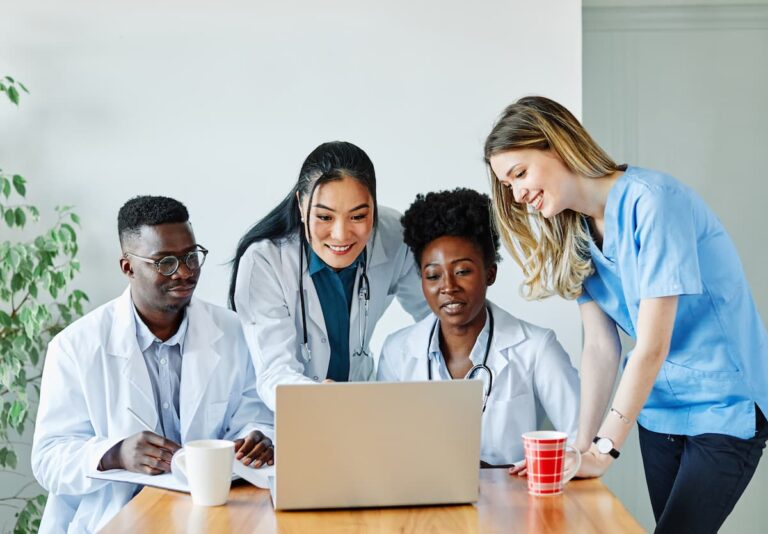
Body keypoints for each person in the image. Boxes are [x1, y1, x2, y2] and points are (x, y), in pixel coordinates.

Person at [484, 95, 768, 532]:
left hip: (724, 405)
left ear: (557, 144)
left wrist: (605, 450)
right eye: (507, 185)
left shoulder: (654, 203)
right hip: (660, 412)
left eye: (520, 173)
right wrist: (580, 446)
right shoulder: (572, 233)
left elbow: (653, 345)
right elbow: (601, 347)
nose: (518, 194)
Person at [32, 196, 275, 533]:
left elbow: (254, 413)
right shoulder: (76, 347)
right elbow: (48, 459)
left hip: (213, 515)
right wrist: (115, 453)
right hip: (118, 517)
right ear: (128, 267)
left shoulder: (232, 331)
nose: (186, 272)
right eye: (165, 263)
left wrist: (256, 437)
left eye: (191, 256)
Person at [377, 188, 579, 466]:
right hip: (426, 503)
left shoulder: (536, 348)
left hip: (513, 503)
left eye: (462, 271)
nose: (448, 287)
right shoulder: (397, 352)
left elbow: (580, 443)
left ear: (490, 273)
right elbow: (385, 449)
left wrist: (535, 467)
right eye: (433, 275)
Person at [230, 141, 429, 410]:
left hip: (360, 403)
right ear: (301, 206)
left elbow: (436, 318)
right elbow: (274, 372)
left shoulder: (394, 236)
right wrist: (324, 399)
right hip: (286, 413)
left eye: (358, 216)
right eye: (325, 217)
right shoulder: (265, 260)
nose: (341, 235)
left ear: (374, 206)